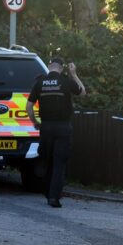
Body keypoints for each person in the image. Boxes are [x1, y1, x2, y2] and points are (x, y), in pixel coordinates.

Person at [26, 57, 86, 207]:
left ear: (49, 66)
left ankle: (47, 191)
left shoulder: (39, 82)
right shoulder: (66, 81)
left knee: (47, 160)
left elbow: (28, 106)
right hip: (63, 128)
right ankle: (53, 197)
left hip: (45, 127)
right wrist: (74, 74)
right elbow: (83, 93)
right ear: (61, 68)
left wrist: (35, 123)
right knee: (59, 163)